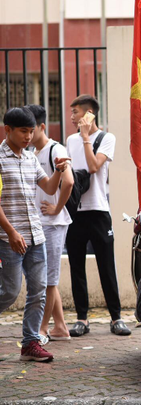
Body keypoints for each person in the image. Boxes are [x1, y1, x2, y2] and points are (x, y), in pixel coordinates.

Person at [0, 106, 70, 362]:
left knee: (39, 290)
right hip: (9, 239)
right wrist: (10, 232)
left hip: (36, 236)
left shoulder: (31, 158)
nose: (28, 137)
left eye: (31, 131)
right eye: (22, 131)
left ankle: (30, 343)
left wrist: (59, 170)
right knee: (9, 291)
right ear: (7, 130)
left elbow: (50, 188)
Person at [65, 95, 131, 336]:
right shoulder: (70, 140)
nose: (72, 117)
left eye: (76, 113)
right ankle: (82, 318)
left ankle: (116, 318)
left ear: (89, 113)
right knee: (76, 267)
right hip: (76, 213)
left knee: (106, 265)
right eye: (71, 113)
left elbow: (94, 167)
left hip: (99, 211)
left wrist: (85, 139)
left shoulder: (106, 138)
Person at [28, 105, 74, 342]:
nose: (27, 134)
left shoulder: (55, 149)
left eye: (30, 128)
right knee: (47, 278)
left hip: (53, 224)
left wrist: (57, 208)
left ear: (41, 127)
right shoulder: (34, 154)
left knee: (48, 280)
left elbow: (68, 181)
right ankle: (61, 327)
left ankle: (42, 329)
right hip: (41, 222)